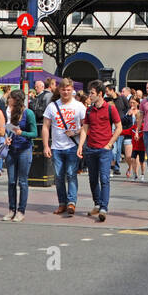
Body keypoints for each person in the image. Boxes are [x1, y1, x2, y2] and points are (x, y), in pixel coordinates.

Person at [42, 78, 86, 216]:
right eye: (63, 89)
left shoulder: (79, 106)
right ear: (59, 90)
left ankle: (71, 203)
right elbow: (45, 126)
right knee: (59, 177)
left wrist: (77, 135)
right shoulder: (52, 106)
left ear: (72, 90)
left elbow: (86, 127)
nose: (66, 92)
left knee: (72, 174)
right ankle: (62, 203)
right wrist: (45, 145)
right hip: (56, 146)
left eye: (68, 90)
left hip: (73, 145)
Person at [82, 82, 122, 222]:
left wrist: (110, 144)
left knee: (104, 179)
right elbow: (85, 129)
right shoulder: (89, 110)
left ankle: (104, 208)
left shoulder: (110, 108)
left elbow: (119, 128)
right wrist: (81, 146)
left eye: (92, 93)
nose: (89, 95)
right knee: (92, 179)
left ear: (100, 94)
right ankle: (97, 204)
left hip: (104, 150)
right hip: (91, 149)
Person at [3, 89, 36, 221]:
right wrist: (7, 137)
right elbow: (8, 129)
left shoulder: (28, 113)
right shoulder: (9, 113)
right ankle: (11, 209)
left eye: (10, 98)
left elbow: (34, 133)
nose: (8, 100)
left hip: (24, 150)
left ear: (16, 100)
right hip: (12, 150)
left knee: (22, 181)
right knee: (11, 181)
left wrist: (22, 133)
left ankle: (21, 211)